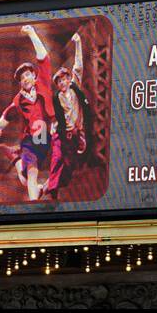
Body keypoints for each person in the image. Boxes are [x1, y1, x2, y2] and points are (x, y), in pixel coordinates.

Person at [0, 25, 55, 201]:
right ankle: (33, 205)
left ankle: (15, 159)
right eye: (22, 78)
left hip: (44, 137)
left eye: (28, 75)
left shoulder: (43, 83)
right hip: (28, 139)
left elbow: (43, 58)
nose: (25, 79)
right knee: (33, 172)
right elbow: (9, 113)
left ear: (34, 76)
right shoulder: (18, 99)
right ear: (20, 83)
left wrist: (31, 33)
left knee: (25, 178)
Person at [46, 34, 90, 199]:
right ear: (57, 85)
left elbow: (78, 66)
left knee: (69, 164)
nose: (63, 83)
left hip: (75, 133)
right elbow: (57, 117)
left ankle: (55, 183)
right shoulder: (57, 98)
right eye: (60, 82)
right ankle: (52, 188)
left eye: (65, 79)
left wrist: (78, 43)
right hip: (61, 134)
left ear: (69, 79)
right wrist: (53, 127)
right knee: (56, 158)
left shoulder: (75, 88)